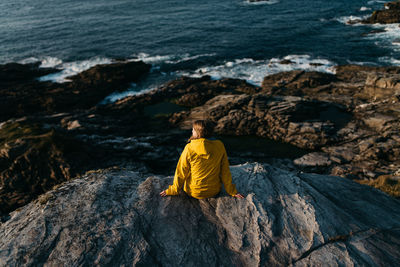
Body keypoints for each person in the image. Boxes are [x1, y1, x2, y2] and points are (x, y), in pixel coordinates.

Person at [160, 120, 244, 199]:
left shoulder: (189, 148)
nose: (192, 131)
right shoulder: (219, 145)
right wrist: (232, 191)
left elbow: (181, 172)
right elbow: (225, 170)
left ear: (198, 133)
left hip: (193, 191)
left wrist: (174, 190)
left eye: (193, 130)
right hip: (213, 191)